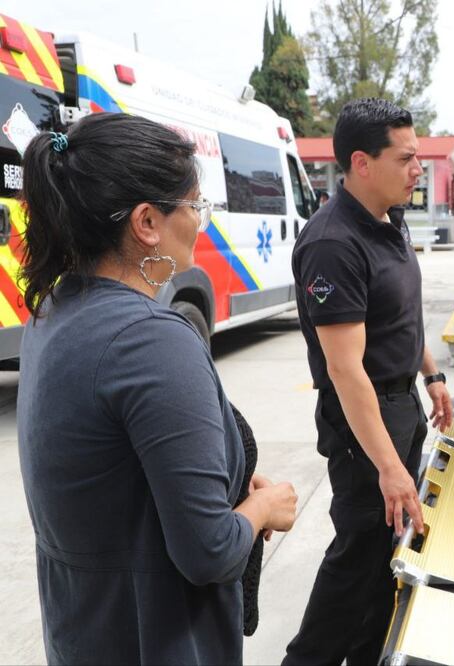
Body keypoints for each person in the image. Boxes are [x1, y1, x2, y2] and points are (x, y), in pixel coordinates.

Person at [17, 113, 298, 664]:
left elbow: (115, 482)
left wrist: (229, 483)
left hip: (86, 631)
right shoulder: (150, 340)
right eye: (195, 206)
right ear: (147, 221)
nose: (201, 222)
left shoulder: (53, 311)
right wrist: (263, 507)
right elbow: (209, 553)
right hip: (156, 640)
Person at [284, 98, 453, 666]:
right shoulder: (334, 244)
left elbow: (401, 316)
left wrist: (432, 376)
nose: (417, 169)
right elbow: (345, 367)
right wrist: (388, 467)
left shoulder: (390, 220)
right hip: (364, 425)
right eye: (405, 158)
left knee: (392, 553)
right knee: (357, 557)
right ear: (362, 162)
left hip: (402, 404)